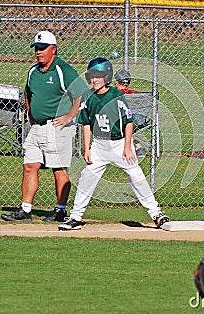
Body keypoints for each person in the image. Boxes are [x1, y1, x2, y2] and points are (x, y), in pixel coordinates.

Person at [58, 57, 169, 230]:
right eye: (92, 76)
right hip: (99, 145)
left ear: (108, 77)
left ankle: (156, 214)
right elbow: (86, 123)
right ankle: (75, 217)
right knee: (87, 177)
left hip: (119, 144)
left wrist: (127, 147)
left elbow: (128, 122)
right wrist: (86, 149)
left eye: (99, 76)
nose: (95, 79)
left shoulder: (116, 96)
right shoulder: (88, 97)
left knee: (137, 176)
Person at [1, 31, 88, 222]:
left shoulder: (63, 69)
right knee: (30, 165)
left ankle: (60, 210)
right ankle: (25, 210)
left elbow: (81, 92)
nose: (38, 52)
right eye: (36, 49)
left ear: (53, 49)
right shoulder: (33, 71)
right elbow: (28, 94)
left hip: (57, 126)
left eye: (42, 48)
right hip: (37, 127)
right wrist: (31, 115)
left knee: (59, 169)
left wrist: (70, 116)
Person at [113, 68, 147, 157]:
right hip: (139, 120)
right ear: (129, 83)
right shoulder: (135, 93)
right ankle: (138, 147)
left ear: (115, 82)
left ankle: (135, 147)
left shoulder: (113, 94)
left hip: (121, 122)